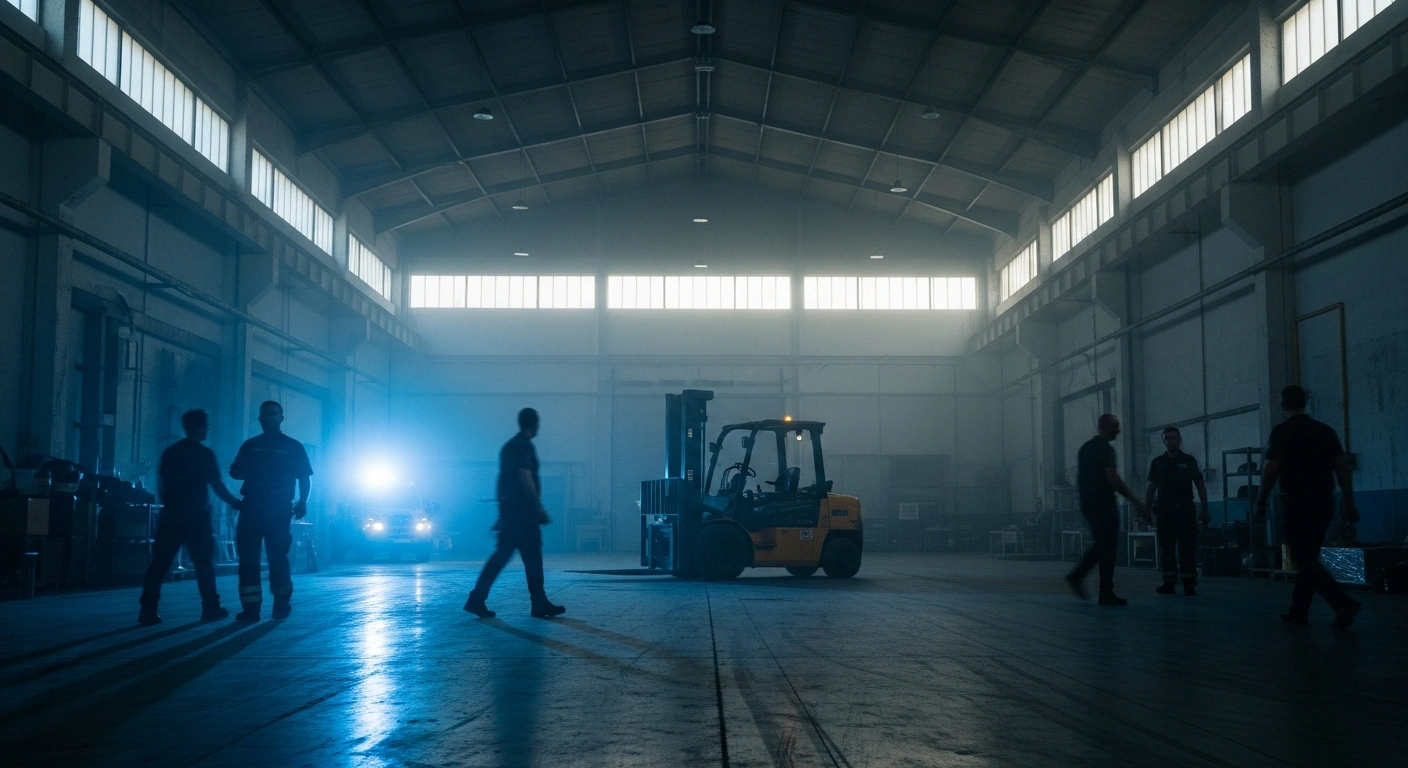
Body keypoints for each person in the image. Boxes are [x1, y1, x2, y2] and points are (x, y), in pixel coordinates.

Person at [1255, 385, 1361, 628]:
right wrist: (1350, 503)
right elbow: (1342, 469)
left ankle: (1342, 603)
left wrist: (1261, 501)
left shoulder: (1282, 432)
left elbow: (1271, 470)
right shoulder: (1325, 431)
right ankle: (1299, 611)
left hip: (1296, 502)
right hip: (1323, 501)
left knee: (1303, 559)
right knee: (1308, 557)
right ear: (1305, 401)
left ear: (1283, 405)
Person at [137, 410, 242, 626]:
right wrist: (236, 503)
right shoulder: (204, 454)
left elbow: (162, 486)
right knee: (204, 563)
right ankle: (210, 608)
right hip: (196, 516)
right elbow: (217, 486)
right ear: (200, 427)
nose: (208, 429)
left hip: (171, 515)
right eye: (206, 425)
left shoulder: (171, 452)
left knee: (159, 564)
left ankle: (147, 611)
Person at [464, 408, 565, 619]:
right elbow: (524, 476)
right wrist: (538, 507)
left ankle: (477, 599)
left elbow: (502, 482)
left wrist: (501, 515)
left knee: (502, 558)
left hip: (511, 514)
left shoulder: (509, 447)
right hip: (523, 516)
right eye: (538, 423)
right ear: (534, 424)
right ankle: (538, 603)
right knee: (532, 558)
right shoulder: (523, 446)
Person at [229, 401, 313, 622]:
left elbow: (304, 478)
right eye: (266, 414)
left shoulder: (293, 447)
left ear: (281, 418)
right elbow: (235, 472)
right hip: (253, 507)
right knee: (248, 560)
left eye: (274, 414)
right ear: (260, 419)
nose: (270, 417)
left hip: (277, 509)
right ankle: (250, 609)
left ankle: (281, 604)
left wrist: (303, 501)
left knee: (278, 557)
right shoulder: (250, 446)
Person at [1066, 414, 1145, 606]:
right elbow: (1113, 477)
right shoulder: (1105, 449)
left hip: (1087, 502)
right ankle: (1103, 591)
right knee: (1107, 547)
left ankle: (1081, 578)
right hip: (1103, 503)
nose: (1118, 430)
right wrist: (1135, 500)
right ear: (1104, 426)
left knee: (1103, 544)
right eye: (1115, 426)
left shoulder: (1085, 448)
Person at [1145, 427, 1210, 596]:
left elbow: (1200, 485)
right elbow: (1151, 488)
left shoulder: (1189, 461)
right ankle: (1169, 582)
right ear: (1164, 441)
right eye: (1167, 438)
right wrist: (1147, 509)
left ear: (1179, 440)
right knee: (1166, 547)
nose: (1171, 441)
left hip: (1185, 511)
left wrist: (1205, 509)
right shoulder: (1158, 463)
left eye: (1174, 438)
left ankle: (1189, 583)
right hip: (1165, 512)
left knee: (1187, 547)